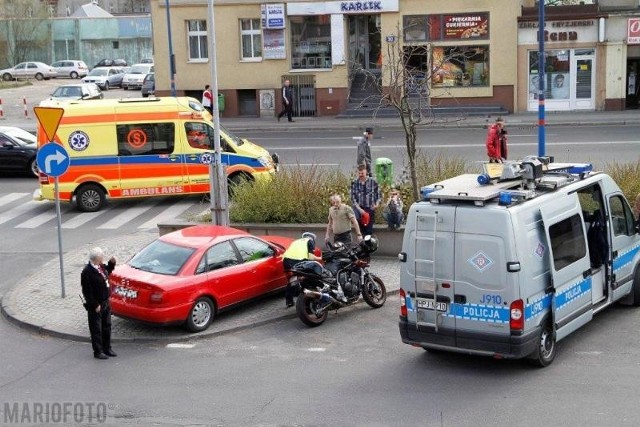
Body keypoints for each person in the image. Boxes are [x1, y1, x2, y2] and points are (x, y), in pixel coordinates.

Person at [81, 247, 117, 360]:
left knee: (107, 326)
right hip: (96, 305)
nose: (103, 259)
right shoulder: (87, 272)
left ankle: (107, 348)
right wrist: (95, 304)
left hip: (106, 301)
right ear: (96, 259)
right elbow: (87, 292)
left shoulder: (100, 266)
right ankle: (98, 351)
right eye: (101, 257)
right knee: (96, 329)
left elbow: (107, 271)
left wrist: (111, 264)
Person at [282, 232, 324, 307]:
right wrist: (320, 258)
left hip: (286, 261)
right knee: (311, 275)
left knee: (293, 279)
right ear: (313, 239)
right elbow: (311, 257)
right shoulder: (309, 241)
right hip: (299, 261)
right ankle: (310, 295)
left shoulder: (295, 241)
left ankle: (289, 301)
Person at [351, 164, 381, 237]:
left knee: (368, 230)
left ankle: (368, 244)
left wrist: (376, 204)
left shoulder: (373, 182)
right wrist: (359, 209)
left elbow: (379, 195)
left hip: (370, 208)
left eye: (362, 173)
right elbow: (353, 198)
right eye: (359, 173)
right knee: (361, 230)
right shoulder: (355, 183)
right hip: (359, 208)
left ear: (366, 172)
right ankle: (363, 244)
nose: (361, 175)